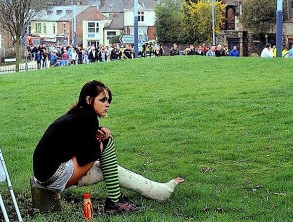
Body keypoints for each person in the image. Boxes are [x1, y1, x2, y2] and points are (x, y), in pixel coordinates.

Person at [33, 80, 185, 215]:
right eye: (103, 100)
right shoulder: (89, 118)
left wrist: (97, 136)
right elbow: (85, 157)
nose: (107, 104)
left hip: (44, 176)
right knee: (107, 143)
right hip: (55, 176)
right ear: (88, 99)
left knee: (110, 169)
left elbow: (78, 146)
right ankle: (116, 202)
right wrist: (101, 140)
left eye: (109, 100)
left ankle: (157, 192)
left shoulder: (78, 114)